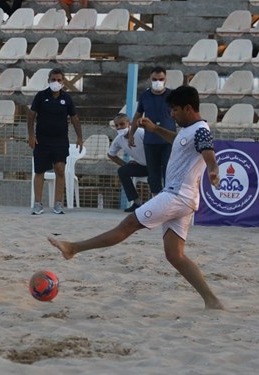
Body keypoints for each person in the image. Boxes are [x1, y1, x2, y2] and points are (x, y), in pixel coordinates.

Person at [49, 86, 224, 310]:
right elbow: (179, 140)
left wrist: (213, 169)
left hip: (176, 195)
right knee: (175, 255)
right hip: (185, 199)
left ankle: (73, 248)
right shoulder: (190, 131)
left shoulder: (201, 130)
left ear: (188, 108)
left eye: (175, 110)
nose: (172, 114)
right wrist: (155, 129)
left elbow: (209, 151)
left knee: (129, 224)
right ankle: (212, 300)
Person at [28, 68, 83, 215]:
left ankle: (58, 204)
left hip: (60, 141)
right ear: (48, 80)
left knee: (60, 169)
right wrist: (31, 135)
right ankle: (38, 204)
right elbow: (31, 115)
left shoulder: (67, 98)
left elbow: (74, 118)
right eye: (53, 79)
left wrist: (79, 137)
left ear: (63, 82)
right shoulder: (41, 96)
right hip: (42, 141)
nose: (56, 82)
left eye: (59, 80)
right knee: (39, 171)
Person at [128, 66, 176, 198]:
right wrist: (131, 134)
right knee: (153, 173)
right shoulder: (145, 95)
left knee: (168, 171)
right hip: (150, 141)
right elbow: (137, 115)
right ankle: (156, 199)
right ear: (150, 79)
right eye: (155, 79)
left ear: (165, 79)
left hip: (168, 140)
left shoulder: (172, 95)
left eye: (161, 79)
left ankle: (169, 198)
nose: (158, 82)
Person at [107, 113, 147, 213]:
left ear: (129, 124)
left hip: (155, 165)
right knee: (122, 171)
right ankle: (137, 202)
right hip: (141, 165)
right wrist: (125, 164)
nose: (119, 127)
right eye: (116, 125)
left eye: (122, 124)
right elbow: (111, 154)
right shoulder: (118, 139)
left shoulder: (140, 133)